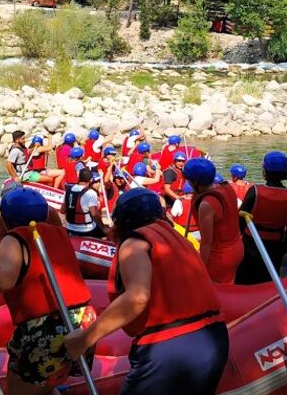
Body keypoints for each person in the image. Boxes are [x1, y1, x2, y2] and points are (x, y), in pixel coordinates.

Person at [63, 188, 229, 395]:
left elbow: (138, 297)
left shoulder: (135, 243)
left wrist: (85, 339)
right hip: (213, 339)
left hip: (170, 347)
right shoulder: (179, 241)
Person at [0, 188, 95, 395]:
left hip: (46, 328)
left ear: (4, 218)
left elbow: (3, 281)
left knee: (19, 389)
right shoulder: (59, 232)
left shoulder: (13, 240)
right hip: (83, 320)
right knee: (44, 385)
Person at [236, 151, 287, 285]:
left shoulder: (255, 191)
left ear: (265, 171)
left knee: (245, 281)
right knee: (269, 282)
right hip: (276, 247)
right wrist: (285, 249)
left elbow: (240, 219)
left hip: (251, 245)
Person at [184, 158, 244, 284]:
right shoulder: (227, 188)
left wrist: (201, 267)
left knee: (216, 290)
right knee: (228, 286)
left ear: (196, 182)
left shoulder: (206, 205)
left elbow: (206, 242)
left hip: (221, 255)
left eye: (189, 180)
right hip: (236, 247)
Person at [63, 168, 109, 238]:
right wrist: (103, 228)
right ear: (90, 180)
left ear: (78, 178)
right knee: (107, 230)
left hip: (70, 228)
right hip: (87, 230)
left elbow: (62, 210)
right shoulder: (91, 193)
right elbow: (94, 214)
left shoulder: (68, 190)